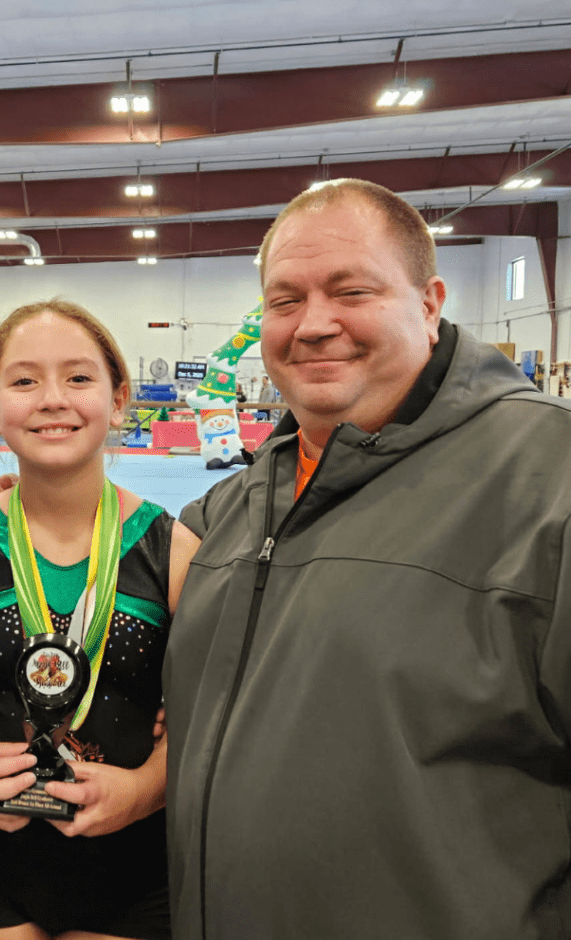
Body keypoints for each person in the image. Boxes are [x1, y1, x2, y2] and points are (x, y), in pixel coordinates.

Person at [163, 178, 571, 939]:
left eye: (351, 290)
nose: (314, 325)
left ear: (428, 301)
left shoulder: (551, 480)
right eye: (285, 302)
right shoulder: (240, 503)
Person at [0, 300, 200, 940]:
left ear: (119, 400)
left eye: (79, 378)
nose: (53, 399)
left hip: (132, 862)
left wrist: (145, 790)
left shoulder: (175, 550)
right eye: (24, 380)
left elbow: (204, 723)